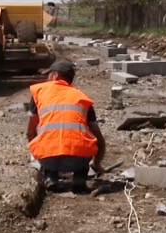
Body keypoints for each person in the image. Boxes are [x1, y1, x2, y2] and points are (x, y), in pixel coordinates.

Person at [26, 59, 107, 193]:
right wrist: (96, 163)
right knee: (84, 142)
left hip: (48, 159)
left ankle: (50, 177)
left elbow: (30, 132)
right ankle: (79, 179)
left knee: (47, 143)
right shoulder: (81, 97)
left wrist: (38, 157)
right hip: (79, 159)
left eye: (49, 75)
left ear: (55, 76)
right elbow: (99, 137)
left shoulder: (40, 92)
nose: (47, 78)